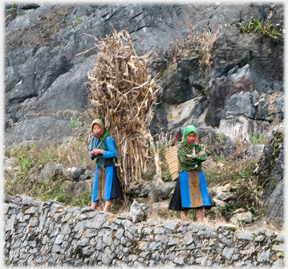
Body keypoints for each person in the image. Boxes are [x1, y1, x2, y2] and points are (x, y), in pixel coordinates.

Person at [168, 125, 212, 222]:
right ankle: (184, 221)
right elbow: (184, 160)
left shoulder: (198, 146)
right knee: (185, 198)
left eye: (193, 136)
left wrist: (192, 157)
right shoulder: (180, 146)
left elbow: (204, 157)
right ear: (185, 135)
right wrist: (196, 158)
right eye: (189, 136)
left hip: (197, 174)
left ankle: (200, 221)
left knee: (200, 199)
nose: (191, 138)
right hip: (185, 174)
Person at [89, 119, 121, 212]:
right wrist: (91, 154)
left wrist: (101, 152)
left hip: (109, 166)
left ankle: (105, 211)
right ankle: (91, 210)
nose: (96, 130)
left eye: (98, 128)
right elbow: (91, 151)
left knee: (108, 188)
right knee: (96, 188)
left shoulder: (108, 138)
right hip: (99, 166)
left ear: (102, 128)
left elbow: (113, 153)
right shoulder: (94, 139)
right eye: (94, 128)